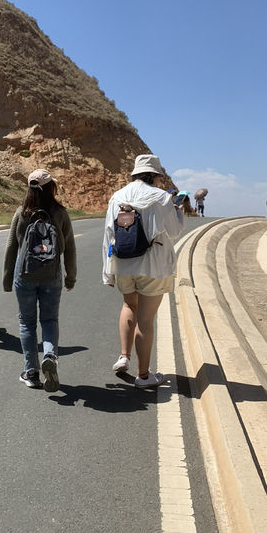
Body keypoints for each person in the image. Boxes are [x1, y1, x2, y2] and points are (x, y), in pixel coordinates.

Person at [102, 154, 184, 388]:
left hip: (123, 263)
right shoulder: (162, 198)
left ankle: (124, 356)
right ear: (155, 176)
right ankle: (144, 376)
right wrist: (177, 210)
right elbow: (175, 231)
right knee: (146, 319)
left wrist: (108, 271)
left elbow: (109, 235)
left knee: (129, 305)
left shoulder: (117, 197)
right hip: (153, 266)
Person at [3, 169, 77, 391]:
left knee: (27, 322)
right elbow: (70, 248)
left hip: (24, 275)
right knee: (49, 320)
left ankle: (31, 372)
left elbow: (11, 248)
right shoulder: (60, 213)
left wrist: (7, 280)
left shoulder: (21, 213)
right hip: (52, 275)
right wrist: (70, 277)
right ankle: (50, 357)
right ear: (51, 188)